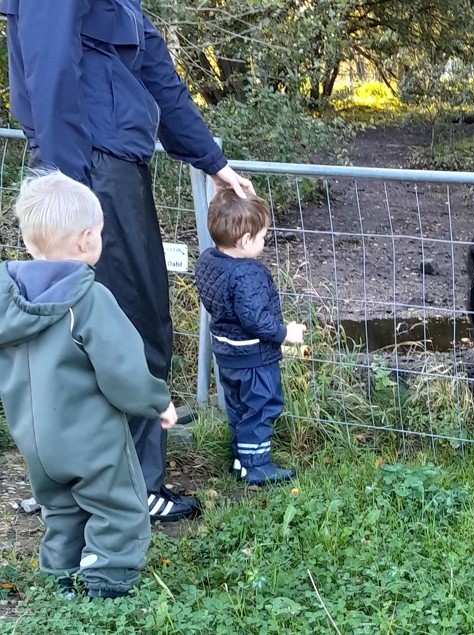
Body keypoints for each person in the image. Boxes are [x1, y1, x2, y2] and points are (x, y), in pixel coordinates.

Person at [2, 0, 256, 522]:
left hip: (103, 166)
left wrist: (213, 161)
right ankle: (131, 487)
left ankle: (76, 481)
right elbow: (49, 68)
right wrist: (66, 187)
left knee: (93, 321)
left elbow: (160, 78)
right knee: (128, 323)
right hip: (91, 170)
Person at [0, 172, 178, 599]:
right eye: (98, 232)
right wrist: (157, 401)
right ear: (84, 241)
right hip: (90, 437)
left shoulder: (9, 301)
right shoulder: (89, 301)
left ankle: (61, 576)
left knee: (61, 509)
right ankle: (106, 582)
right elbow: (122, 371)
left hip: (34, 439)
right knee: (117, 505)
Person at [195, 189, 304, 486]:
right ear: (244, 240)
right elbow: (255, 319)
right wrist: (285, 333)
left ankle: (240, 459)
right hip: (253, 355)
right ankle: (256, 465)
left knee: (238, 405)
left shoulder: (208, 260)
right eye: (261, 238)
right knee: (262, 404)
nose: (264, 242)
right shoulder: (248, 273)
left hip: (226, 352)